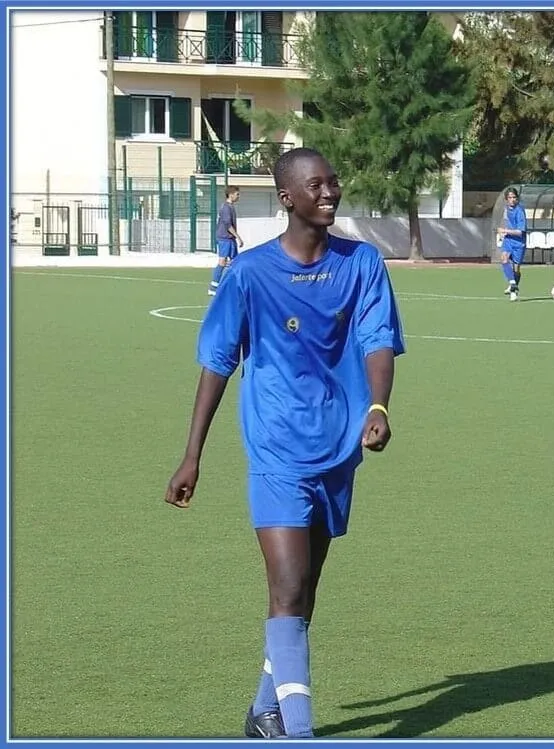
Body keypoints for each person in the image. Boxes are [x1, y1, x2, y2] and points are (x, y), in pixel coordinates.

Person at [165, 147, 405, 739]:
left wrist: (377, 406)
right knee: (289, 586)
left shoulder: (362, 264)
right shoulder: (249, 274)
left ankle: (262, 709)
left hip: (339, 446)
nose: (329, 192)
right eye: (315, 185)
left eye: (333, 182)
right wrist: (192, 454)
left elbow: (378, 339)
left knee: (304, 594)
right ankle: (299, 730)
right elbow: (218, 362)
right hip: (275, 449)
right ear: (286, 199)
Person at [209, 185, 244, 296]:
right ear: (231, 194)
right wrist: (238, 237)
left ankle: (233, 285)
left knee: (235, 261)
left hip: (230, 239)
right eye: (237, 194)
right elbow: (227, 225)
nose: (238, 196)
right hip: (224, 238)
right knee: (222, 261)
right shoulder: (225, 207)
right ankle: (213, 287)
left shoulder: (231, 206)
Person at [496, 187, 526, 301]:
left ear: (517, 199)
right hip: (508, 240)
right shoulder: (506, 209)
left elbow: (520, 232)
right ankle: (513, 284)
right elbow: (505, 221)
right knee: (504, 258)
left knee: (516, 268)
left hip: (519, 243)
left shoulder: (520, 212)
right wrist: (502, 230)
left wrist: (505, 231)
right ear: (506, 199)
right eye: (510, 197)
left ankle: (514, 289)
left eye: (514, 197)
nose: (512, 200)